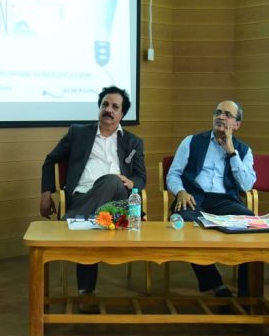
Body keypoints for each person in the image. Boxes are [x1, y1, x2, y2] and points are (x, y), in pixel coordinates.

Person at [39, 86, 146, 309]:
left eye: (115, 107)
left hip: (118, 202)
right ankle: (86, 291)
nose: (109, 110)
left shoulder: (133, 142)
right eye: (105, 104)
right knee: (91, 223)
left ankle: (69, 222)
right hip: (83, 197)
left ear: (122, 114)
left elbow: (141, 177)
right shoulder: (78, 133)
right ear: (99, 107)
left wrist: (132, 183)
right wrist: (46, 194)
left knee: (111, 180)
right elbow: (50, 160)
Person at [167, 100, 256, 298]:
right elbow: (173, 174)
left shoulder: (243, 150)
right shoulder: (191, 141)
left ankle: (247, 293)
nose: (221, 117)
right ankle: (217, 285)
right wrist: (180, 192)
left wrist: (231, 152)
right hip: (193, 197)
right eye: (218, 112)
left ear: (237, 124)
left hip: (225, 201)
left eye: (227, 114)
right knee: (188, 228)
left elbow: (246, 185)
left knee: (251, 224)